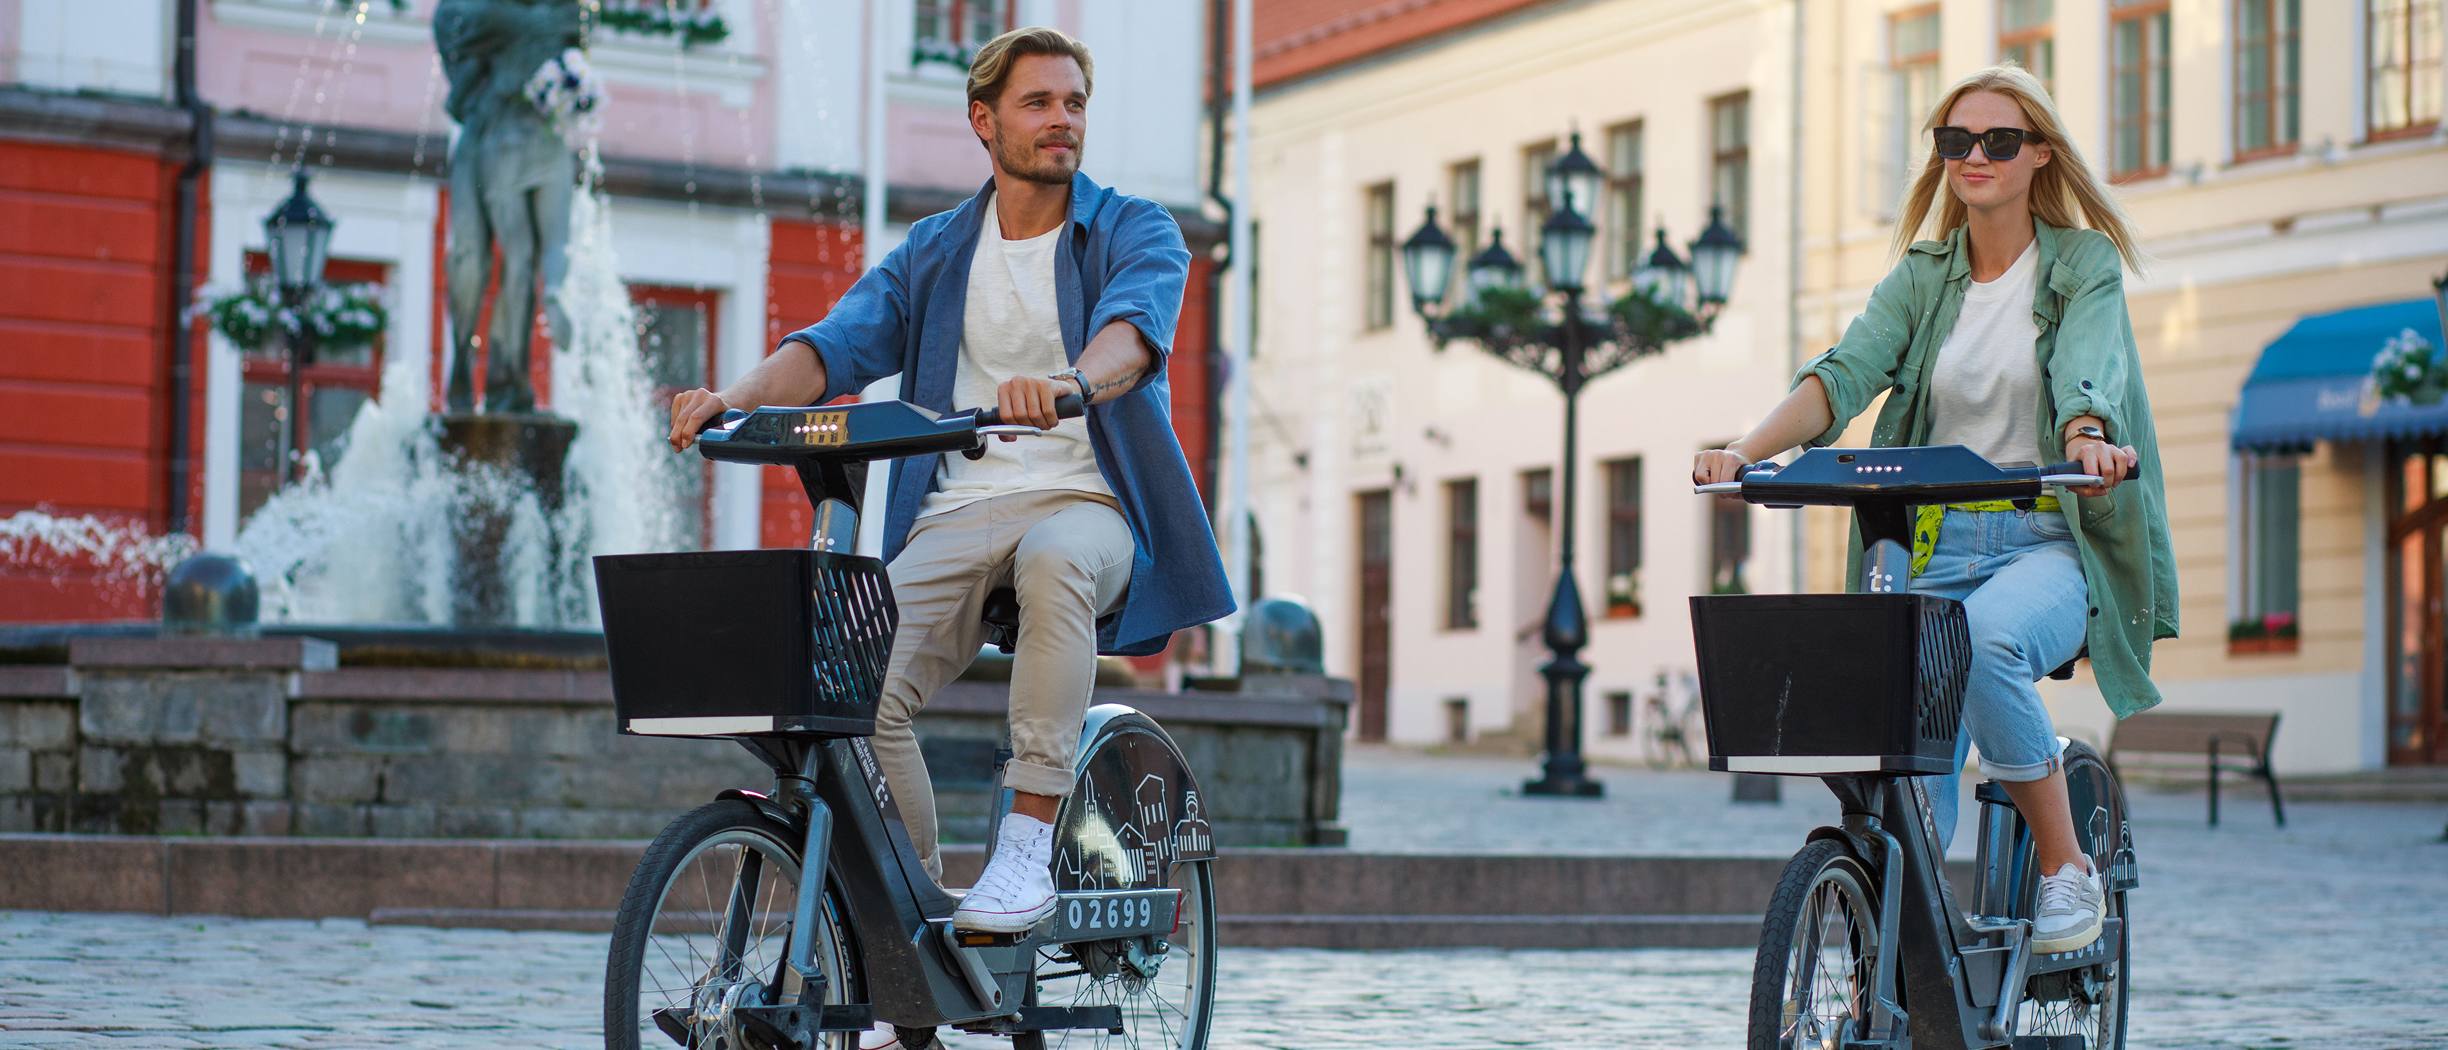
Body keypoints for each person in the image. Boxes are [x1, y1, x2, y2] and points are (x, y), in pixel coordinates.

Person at [666, 26, 1231, 945]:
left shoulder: (1135, 228)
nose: (1062, 122)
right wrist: (732, 398)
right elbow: (833, 347)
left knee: (1055, 563)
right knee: (852, 692)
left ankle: (1025, 838)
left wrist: (1068, 385)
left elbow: (1134, 332)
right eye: (1038, 104)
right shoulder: (937, 250)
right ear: (984, 120)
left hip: (1089, 503)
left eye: (1074, 104)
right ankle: (911, 930)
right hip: (959, 512)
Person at [1693, 64, 2175, 954]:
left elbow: (2089, 367)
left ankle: (2069, 868)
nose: (1974, 157)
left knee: (1982, 640)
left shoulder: (2080, 265)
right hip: (1931, 543)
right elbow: (1842, 376)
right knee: (1900, 749)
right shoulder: (1924, 278)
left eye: (1997, 141)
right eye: (1956, 141)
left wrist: (2086, 436)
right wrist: (1746, 451)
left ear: (2039, 154)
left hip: (2047, 540)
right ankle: (1900, 947)